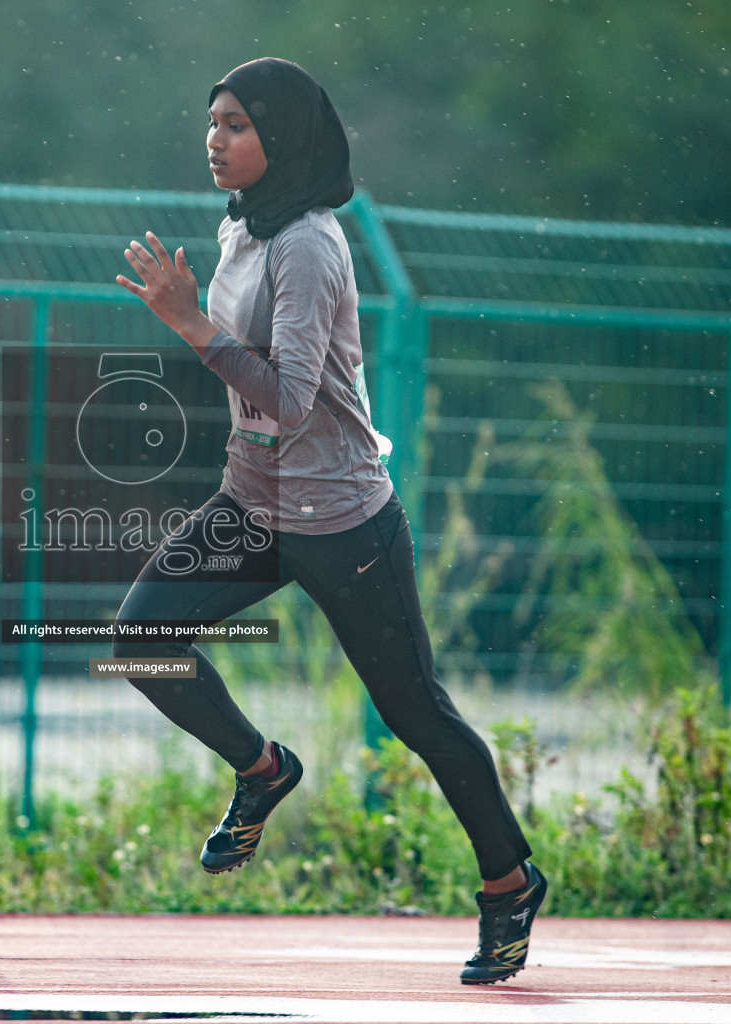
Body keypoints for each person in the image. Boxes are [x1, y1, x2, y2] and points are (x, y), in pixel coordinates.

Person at [112, 57, 547, 986]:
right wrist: (196, 321)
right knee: (143, 638)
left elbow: (292, 403)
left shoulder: (309, 245)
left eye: (236, 125)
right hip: (253, 504)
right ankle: (263, 769)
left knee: (415, 712)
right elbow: (250, 383)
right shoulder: (243, 229)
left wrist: (191, 328)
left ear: (287, 139)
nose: (215, 140)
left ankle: (509, 882)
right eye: (213, 121)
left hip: (343, 521)